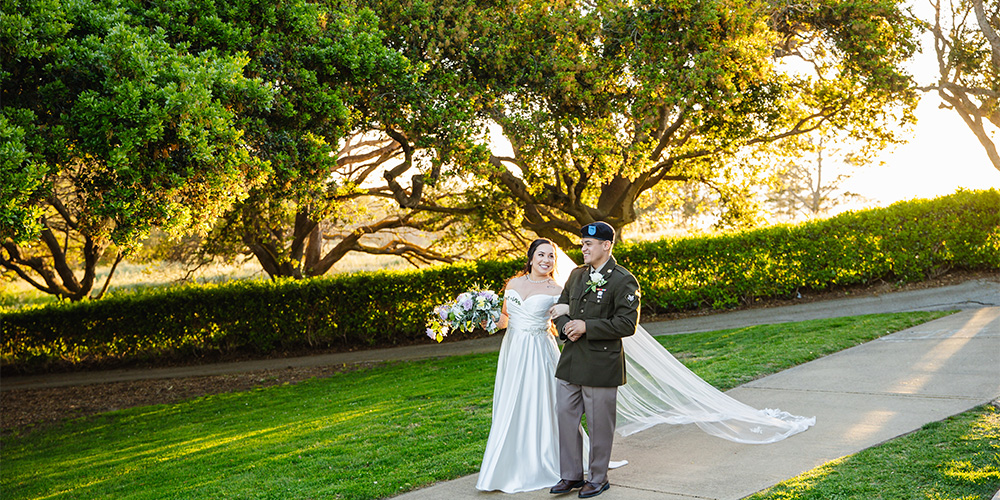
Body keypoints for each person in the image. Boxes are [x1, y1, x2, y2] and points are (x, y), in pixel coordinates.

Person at [549, 221, 638, 498]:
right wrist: (566, 326)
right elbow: (561, 308)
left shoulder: (623, 279)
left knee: (600, 424)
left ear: (606, 245)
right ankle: (571, 475)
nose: (583, 248)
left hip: (601, 364)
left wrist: (586, 326)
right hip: (572, 360)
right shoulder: (576, 275)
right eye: (582, 243)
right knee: (565, 418)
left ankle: (598, 478)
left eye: (588, 244)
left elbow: (627, 324)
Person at [475, 238, 564, 493]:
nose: (546, 260)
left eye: (551, 256)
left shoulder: (556, 289)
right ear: (531, 256)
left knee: (539, 401)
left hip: (538, 351)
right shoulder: (513, 283)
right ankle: (506, 462)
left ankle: (542, 460)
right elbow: (505, 318)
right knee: (511, 400)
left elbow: (560, 323)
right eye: (542, 255)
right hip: (513, 350)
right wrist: (488, 321)